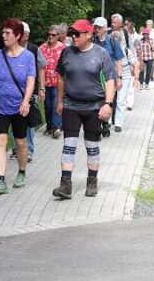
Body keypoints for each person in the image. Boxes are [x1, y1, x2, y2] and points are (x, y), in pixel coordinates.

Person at [53, 19, 116, 199]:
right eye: (73, 33)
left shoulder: (101, 53)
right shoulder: (66, 53)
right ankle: (65, 185)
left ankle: (92, 182)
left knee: (92, 146)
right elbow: (60, 77)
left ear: (89, 35)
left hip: (94, 107)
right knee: (69, 145)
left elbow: (111, 79)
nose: (74, 36)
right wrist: (59, 101)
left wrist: (108, 104)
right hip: (71, 106)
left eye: (78, 33)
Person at [0, 18, 35, 194]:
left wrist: (26, 102)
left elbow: (30, 81)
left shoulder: (28, 57)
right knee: (0, 141)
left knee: (20, 142)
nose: (3, 36)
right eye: (3, 32)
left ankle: (21, 172)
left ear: (18, 35)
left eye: (8, 33)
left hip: (19, 106)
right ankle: (1, 180)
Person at [10, 21, 46, 162]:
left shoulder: (34, 49)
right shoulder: (11, 48)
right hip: (14, 92)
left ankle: (29, 150)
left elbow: (42, 68)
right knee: (14, 120)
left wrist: (42, 88)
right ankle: (15, 149)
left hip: (31, 92)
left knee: (29, 122)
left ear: (26, 35)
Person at [92, 17, 123, 137]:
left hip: (109, 77)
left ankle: (105, 123)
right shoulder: (92, 40)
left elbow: (119, 60)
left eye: (99, 27)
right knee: (96, 101)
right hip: (94, 77)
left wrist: (119, 78)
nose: (97, 29)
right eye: (95, 27)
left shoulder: (112, 41)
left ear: (105, 28)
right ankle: (97, 125)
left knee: (107, 101)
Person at [40, 24, 66, 139]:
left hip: (58, 81)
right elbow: (39, 66)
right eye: (49, 34)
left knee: (56, 104)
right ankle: (49, 126)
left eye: (53, 35)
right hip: (45, 81)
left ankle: (56, 127)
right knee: (47, 105)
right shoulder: (42, 48)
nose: (50, 36)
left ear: (58, 36)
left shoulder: (63, 48)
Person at [110, 30, 139, 132]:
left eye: (116, 40)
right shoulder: (107, 50)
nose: (115, 43)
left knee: (120, 101)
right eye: (113, 40)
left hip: (125, 78)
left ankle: (118, 124)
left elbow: (135, 65)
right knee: (109, 100)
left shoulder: (126, 51)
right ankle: (108, 122)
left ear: (120, 40)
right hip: (110, 78)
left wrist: (135, 79)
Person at [124, 18, 141, 110]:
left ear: (131, 24)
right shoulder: (121, 34)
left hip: (132, 59)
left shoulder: (136, 36)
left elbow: (138, 49)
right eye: (125, 24)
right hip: (123, 59)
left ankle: (129, 103)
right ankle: (125, 101)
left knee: (132, 81)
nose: (126, 25)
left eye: (127, 24)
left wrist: (140, 61)